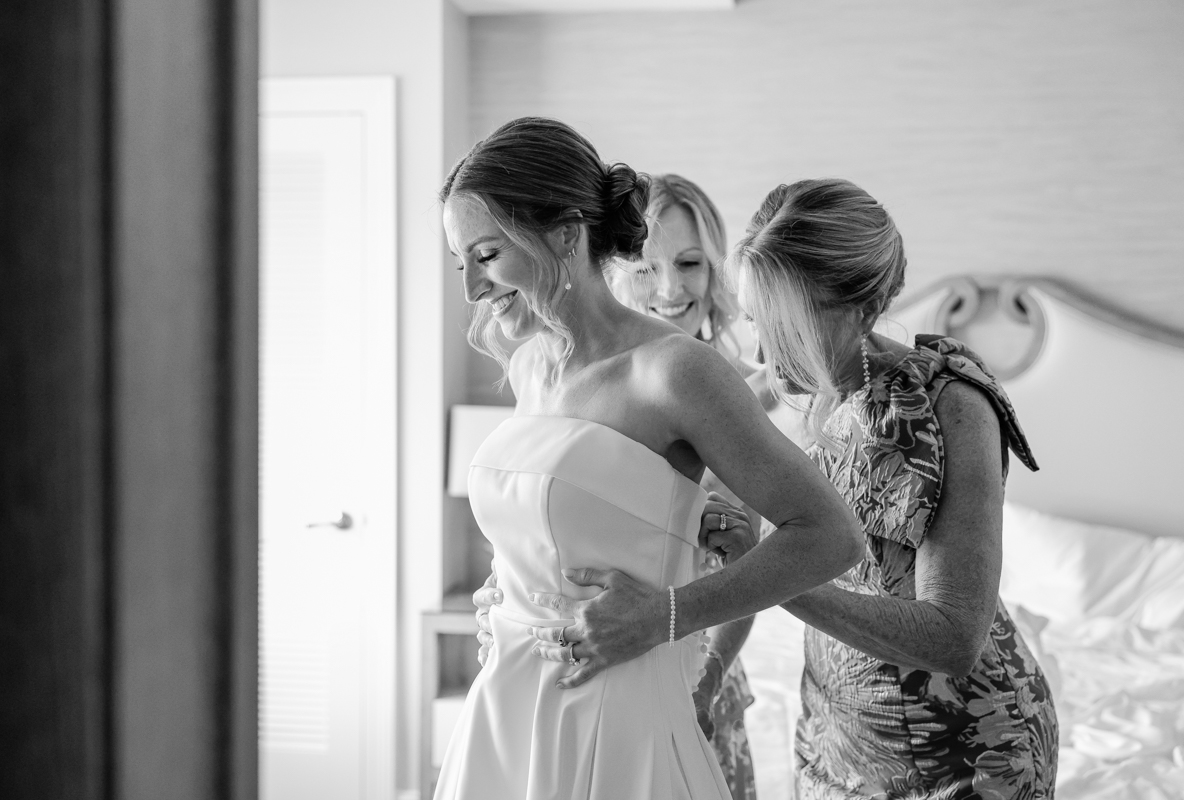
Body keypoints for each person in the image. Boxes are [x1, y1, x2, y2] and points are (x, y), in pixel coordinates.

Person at [533, 178, 1060, 799]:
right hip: (834, 741)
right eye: (755, 319)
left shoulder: (954, 406)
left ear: (859, 307)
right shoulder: (762, 397)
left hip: (969, 751)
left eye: (785, 325)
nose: (762, 348)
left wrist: (772, 569)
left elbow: (953, 637)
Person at [434, 117, 863, 800]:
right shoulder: (530, 365)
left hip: (619, 720)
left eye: (486, 255)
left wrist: (667, 613)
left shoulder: (676, 371)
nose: (472, 289)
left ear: (565, 234)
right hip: (506, 710)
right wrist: (502, 589)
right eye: (462, 262)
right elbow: (549, 522)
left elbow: (832, 536)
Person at [475, 173, 767, 799]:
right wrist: (506, 589)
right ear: (614, 268)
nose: (670, 289)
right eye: (647, 268)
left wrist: (706, 679)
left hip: (692, 667)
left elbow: (767, 559)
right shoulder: (546, 367)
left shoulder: (739, 390)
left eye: (689, 264)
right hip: (561, 671)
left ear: (714, 270)